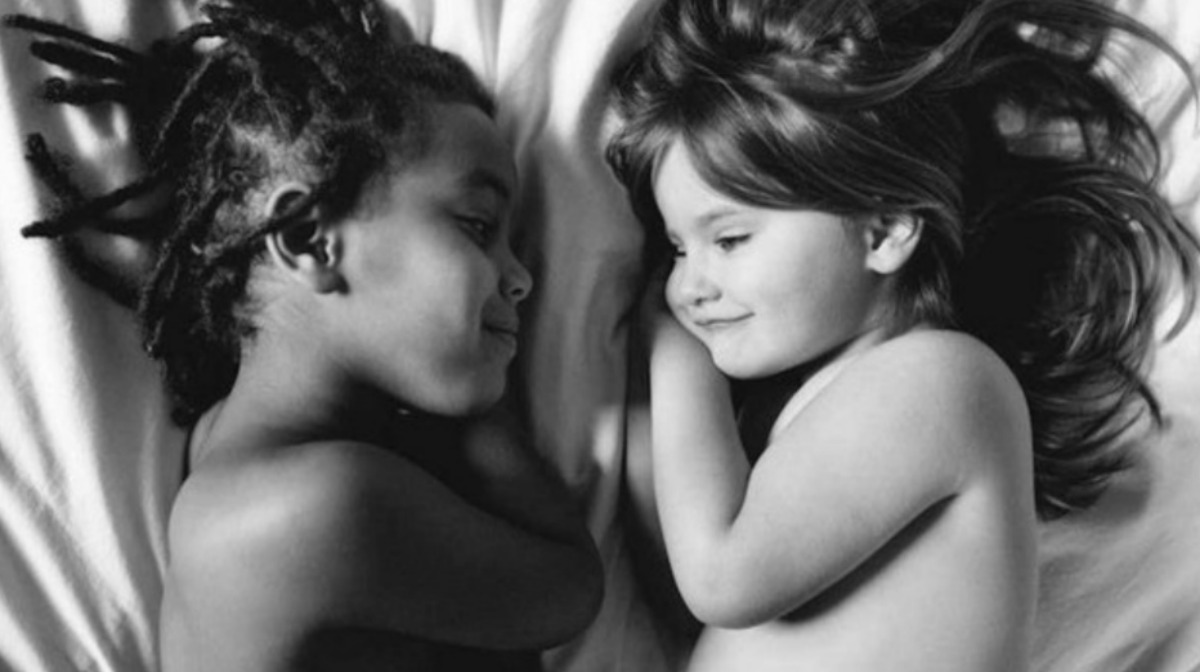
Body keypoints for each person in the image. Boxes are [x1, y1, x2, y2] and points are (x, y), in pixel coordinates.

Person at [4, 1, 603, 670]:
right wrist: (478, 414)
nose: (521, 277)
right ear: (307, 238)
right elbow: (572, 589)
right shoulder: (323, 507)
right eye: (478, 226)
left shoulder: (226, 443)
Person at [604, 0, 1199, 670]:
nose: (686, 285)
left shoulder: (942, 377)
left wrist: (674, 352)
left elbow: (719, 580)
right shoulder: (805, 411)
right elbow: (684, 595)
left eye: (730, 239)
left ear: (883, 232)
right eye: (677, 248)